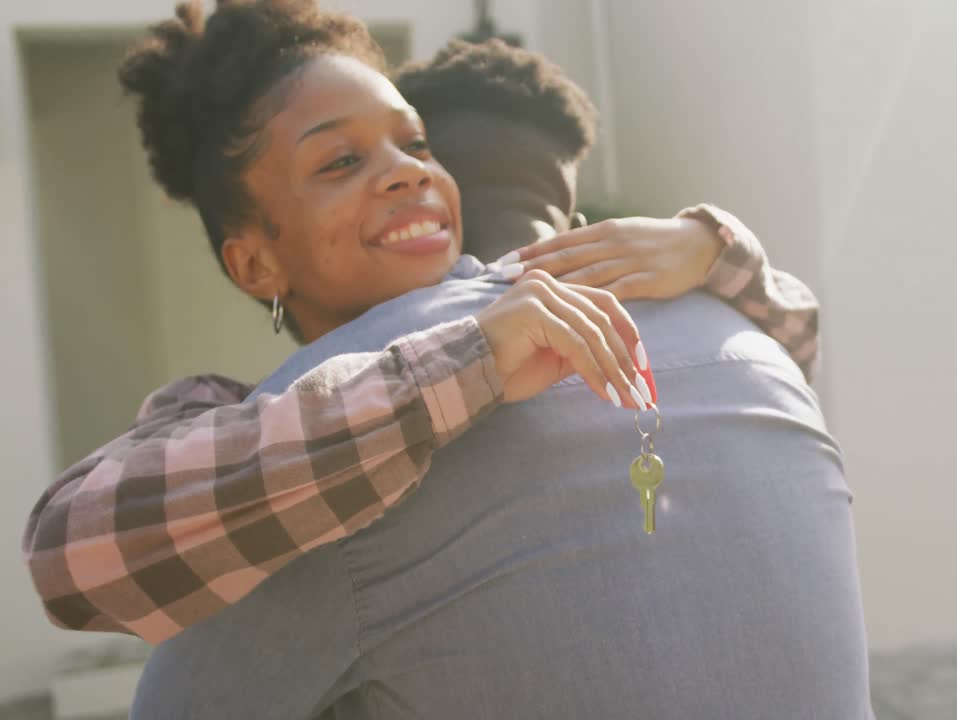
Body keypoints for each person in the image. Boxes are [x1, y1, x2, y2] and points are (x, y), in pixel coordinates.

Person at [26, 4, 871, 716]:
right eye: (342, 160)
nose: (406, 173)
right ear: (253, 263)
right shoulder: (316, 425)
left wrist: (711, 245)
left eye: (416, 144)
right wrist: (470, 359)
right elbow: (70, 553)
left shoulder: (559, 317)